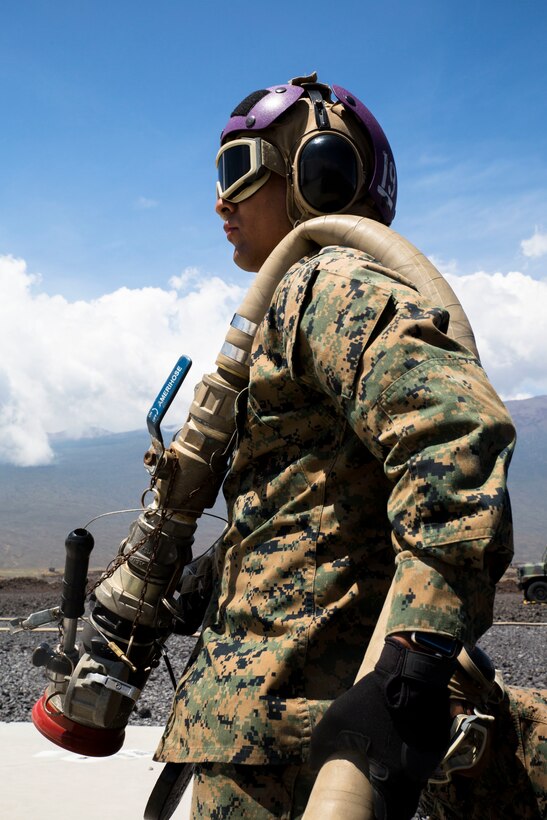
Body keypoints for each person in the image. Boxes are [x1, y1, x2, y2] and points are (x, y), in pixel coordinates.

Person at [154, 73, 515, 819]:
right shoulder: (296, 303)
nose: (219, 203)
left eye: (237, 168)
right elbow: (324, 510)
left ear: (320, 172)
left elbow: (453, 437)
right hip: (263, 726)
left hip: (302, 743)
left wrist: (408, 671)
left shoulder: (328, 281)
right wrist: (222, 570)